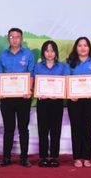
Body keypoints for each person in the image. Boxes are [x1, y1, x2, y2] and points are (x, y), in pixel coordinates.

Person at [64, 36, 91, 168]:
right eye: (80, 45)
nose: (82, 48)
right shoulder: (70, 63)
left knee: (87, 127)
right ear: (76, 48)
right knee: (76, 128)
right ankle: (76, 158)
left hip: (90, 100)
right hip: (74, 100)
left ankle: (87, 157)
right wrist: (70, 94)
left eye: (85, 45)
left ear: (89, 48)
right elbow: (66, 79)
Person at [0, 27, 35, 168]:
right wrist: (0, 90)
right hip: (7, 97)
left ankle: (24, 158)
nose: (14, 40)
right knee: (8, 128)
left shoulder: (28, 54)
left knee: (23, 128)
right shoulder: (2, 55)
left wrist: (29, 89)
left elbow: (31, 74)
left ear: (22, 39)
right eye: (12, 37)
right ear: (8, 39)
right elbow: (0, 75)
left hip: (23, 97)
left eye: (17, 37)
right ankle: (6, 157)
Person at [34, 40, 65, 168]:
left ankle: (53, 157)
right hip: (42, 102)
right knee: (43, 130)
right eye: (47, 51)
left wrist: (59, 93)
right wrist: (38, 92)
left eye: (52, 51)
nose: (50, 53)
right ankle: (43, 157)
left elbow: (65, 83)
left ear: (56, 52)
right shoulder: (38, 67)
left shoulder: (62, 66)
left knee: (55, 130)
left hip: (57, 102)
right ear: (43, 53)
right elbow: (35, 83)